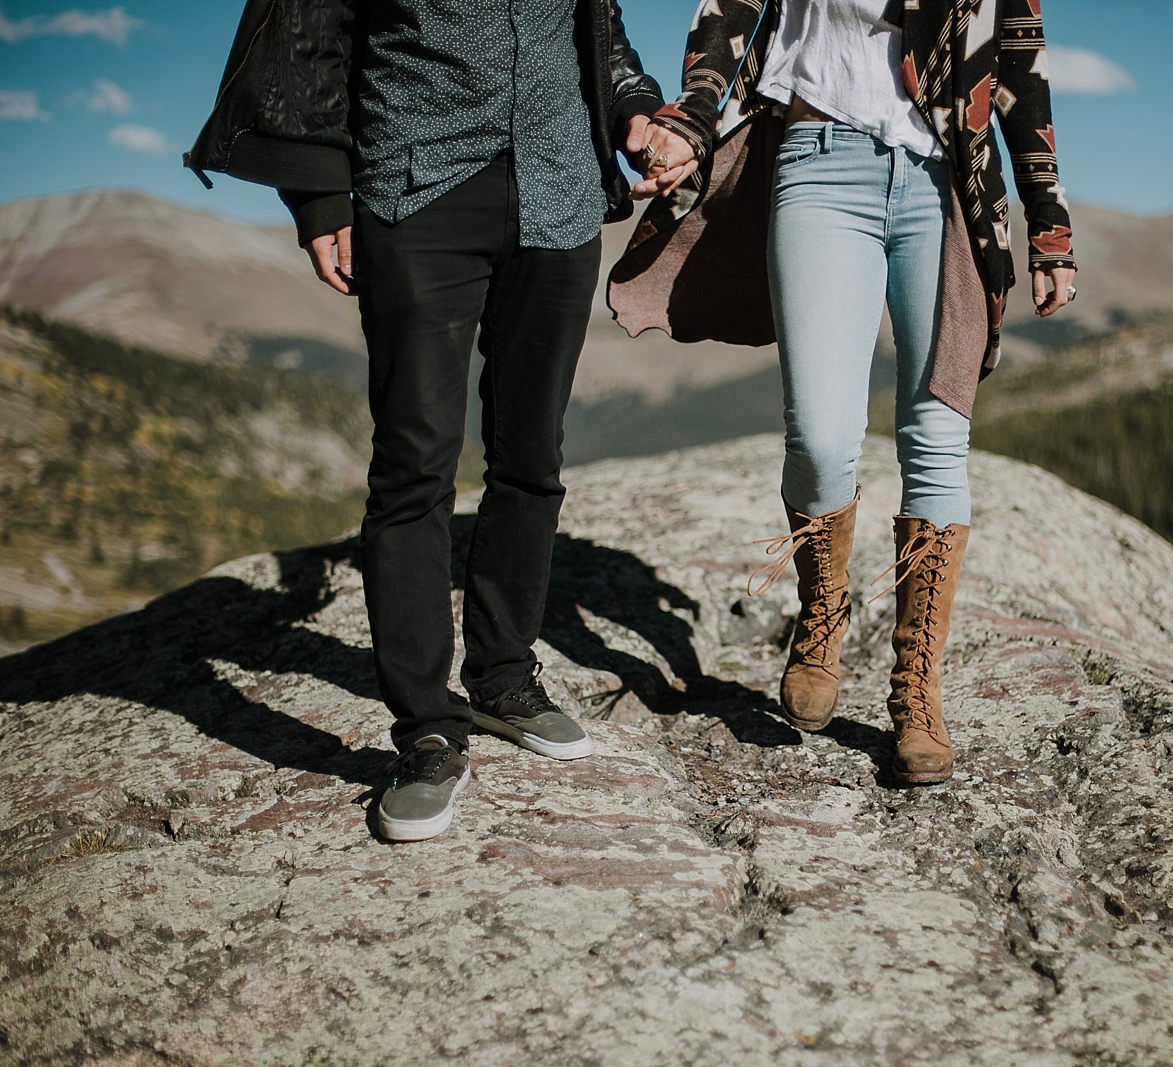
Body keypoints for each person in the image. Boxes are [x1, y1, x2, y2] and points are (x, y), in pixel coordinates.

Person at [185, 0, 664, 840]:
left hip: (559, 189)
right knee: (414, 465)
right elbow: (309, 29)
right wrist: (318, 194)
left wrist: (632, 107)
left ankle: (504, 678)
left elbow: (599, 23)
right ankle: (425, 732)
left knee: (531, 455)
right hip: (416, 189)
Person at [613, 0, 1077, 784]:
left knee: (937, 435)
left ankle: (916, 688)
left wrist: (1048, 217)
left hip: (945, 176)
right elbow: (728, 12)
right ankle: (823, 605)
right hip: (818, 159)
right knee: (823, 437)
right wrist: (693, 118)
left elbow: (1018, 59)